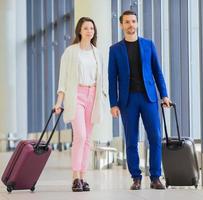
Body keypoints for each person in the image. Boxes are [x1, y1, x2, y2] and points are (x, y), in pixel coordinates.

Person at [108, 10, 171, 190]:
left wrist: (164, 94)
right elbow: (112, 78)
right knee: (131, 140)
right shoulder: (115, 50)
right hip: (128, 101)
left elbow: (157, 72)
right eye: (127, 22)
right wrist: (113, 103)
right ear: (121, 25)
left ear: (137, 23)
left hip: (148, 97)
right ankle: (136, 177)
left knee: (155, 138)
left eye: (133, 21)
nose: (131, 25)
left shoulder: (148, 45)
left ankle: (155, 177)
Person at [54, 17, 107, 192]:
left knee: (87, 140)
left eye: (92, 28)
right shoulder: (70, 52)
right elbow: (63, 79)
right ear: (79, 31)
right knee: (81, 136)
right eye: (86, 28)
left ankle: (83, 177)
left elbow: (102, 79)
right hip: (76, 95)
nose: (89, 31)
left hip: (92, 96)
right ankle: (75, 177)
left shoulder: (97, 53)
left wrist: (103, 97)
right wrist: (59, 102)